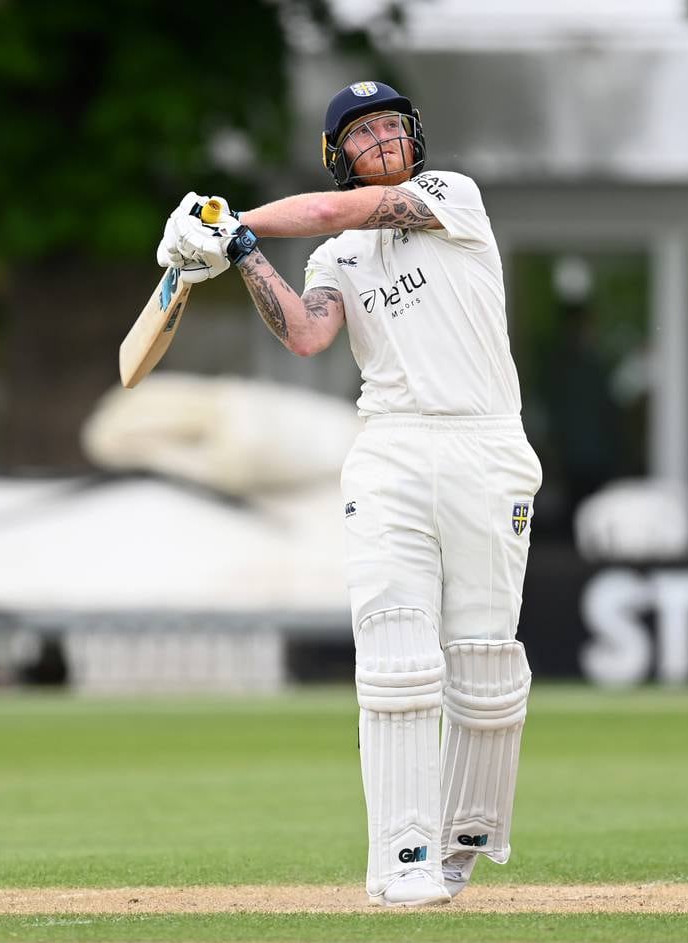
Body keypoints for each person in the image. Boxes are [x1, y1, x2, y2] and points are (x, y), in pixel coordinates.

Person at [158, 81, 542, 908]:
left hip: (486, 441)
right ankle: (400, 860)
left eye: (389, 127)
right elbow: (306, 333)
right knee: (397, 659)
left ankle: (459, 844)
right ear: (339, 155)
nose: (379, 141)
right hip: (392, 450)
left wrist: (233, 220)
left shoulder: (449, 198)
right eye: (361, 135)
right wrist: (239, 255)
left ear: (413, 138)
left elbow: (339, 213)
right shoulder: (333, 260)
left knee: (484, 666)